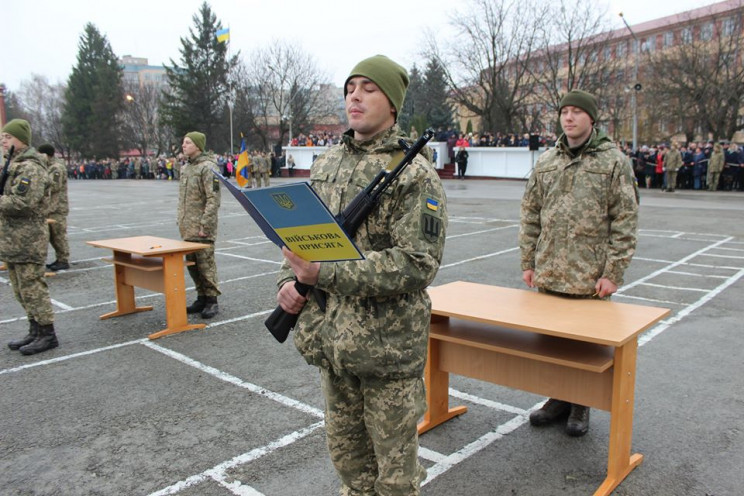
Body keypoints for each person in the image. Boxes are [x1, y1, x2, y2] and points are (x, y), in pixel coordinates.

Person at [275, 55, 447, 494]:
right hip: (332, 340)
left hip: (386, 349)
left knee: (394, 478)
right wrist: (287, 283)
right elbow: (304, 238)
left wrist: (324, 273)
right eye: (351, 87)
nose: (355, 95)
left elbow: (417, 263)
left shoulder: (416, 174)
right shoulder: (328, 162)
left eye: (369, 88)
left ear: (392, 103)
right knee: (350, 465)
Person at [519, 90, 638, 437]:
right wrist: (529, 261)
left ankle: (581, 405)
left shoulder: (612, 162)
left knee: (585, 347)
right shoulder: (547, 161)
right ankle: (558, 399)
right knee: (551, 343)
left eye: (576, 113)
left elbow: (625, 219)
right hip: (550, 273)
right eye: (564, 112)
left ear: (591, 119)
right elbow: (530, 213)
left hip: (589, 276)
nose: (568, 118)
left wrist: (613, 272)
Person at [1, 119, 60, 355]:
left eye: (7, 137)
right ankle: (34, 329)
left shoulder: (31, 168)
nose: (3, 141)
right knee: (20, 289)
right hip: (12, 238)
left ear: (21, 139)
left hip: (28, 238)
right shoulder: (13, 164)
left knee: (33, 287)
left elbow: (23, 202)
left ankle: (48, 333)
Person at [178, 131, 221, 319]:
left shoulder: (209, 167)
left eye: (187, 142)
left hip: (202, 228)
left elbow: (213, 198)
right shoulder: (186, 168)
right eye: (183, 142)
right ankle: (201, 296)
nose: (183, 145)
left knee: (206, 264)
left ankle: (212, 299)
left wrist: (206, 224)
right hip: (188, 227)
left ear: (197, 146)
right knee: (192, 265)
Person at [38, 144, 71, 271]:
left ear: (46, 154)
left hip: (57, 208)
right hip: (50, 207)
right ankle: (59, 259)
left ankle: (63, 260)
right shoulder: (48, 166)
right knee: (52, 236)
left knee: (58, 235)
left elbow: (54, 186)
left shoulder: (56, 168)